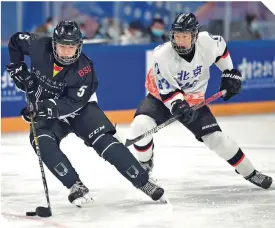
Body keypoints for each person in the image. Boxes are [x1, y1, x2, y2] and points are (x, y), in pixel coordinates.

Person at [7, 21, 166, 207]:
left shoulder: (84, 68)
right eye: (62, 46)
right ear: (53, 44)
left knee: (104, 141)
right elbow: (16, 40)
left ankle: (144, 182)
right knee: (41, 142)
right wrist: (17, 66)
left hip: (81, 109)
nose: (67, 52)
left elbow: (73, 103)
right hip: (47, 110)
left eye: (71, 47)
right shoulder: (38, 45)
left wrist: (42, 108)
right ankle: (75, 185)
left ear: (79, 46)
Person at [128, 13, 272, 189]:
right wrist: (178, 104)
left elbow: (222, 51)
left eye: (185, 36)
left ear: (194, 35)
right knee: (140, 126)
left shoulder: (208, 42)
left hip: (194, 100)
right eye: (177, 35)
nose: (179, 41)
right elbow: (167, 92)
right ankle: (145, 162)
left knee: (218, 140)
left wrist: (228, 72)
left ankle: (250, 172)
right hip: (160, 98)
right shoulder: (162, 55)